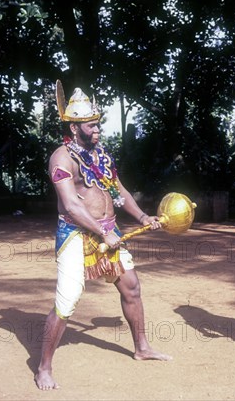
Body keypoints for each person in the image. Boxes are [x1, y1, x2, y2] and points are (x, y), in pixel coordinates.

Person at [35, 81, 171, 391]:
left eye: (98, 124)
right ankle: (43, 367)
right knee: (67, 300)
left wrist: (143, 216)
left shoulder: (100, 154)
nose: (97, 130)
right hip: (76, 234)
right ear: (74, 126)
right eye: (92, 125)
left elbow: (118, 191)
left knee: (132, 287)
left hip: (109, 231)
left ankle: (142, 348)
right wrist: (101, 233)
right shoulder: (61, 158)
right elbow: (71, 204)